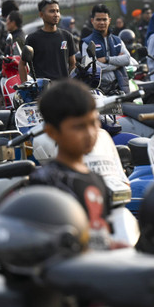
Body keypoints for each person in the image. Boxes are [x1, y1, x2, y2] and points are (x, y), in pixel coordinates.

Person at [28, 79, 111, 248]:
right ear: (51, 132)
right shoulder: (45, 182)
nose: (90, 133)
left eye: (93, 122)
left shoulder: (97, 179)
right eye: (78, 127)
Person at [21, 0, 76, 83]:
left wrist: (70, 83)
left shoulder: (67, 36)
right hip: (41, 91)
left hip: (63, 89)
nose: (56, 14)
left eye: (57, 11)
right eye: (52, 11)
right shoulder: (33, 39)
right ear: (41, 14)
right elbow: (22, 64)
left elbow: (73, 64)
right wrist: (25, 87)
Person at [81, 4, 131, 94]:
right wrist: (118, 64)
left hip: (120, 86)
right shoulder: (87, 42)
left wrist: (107, 59)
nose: (102, 22)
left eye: (104, 19)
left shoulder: (117, 40)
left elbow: (127, 59)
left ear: (109, 20)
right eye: (98, 19)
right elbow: (92, 68)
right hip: (99, 90)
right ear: (92, 21)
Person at [0, 0, 19, 73]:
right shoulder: (0, 23)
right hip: (0, 64)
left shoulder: (11, 24)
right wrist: (3, 57)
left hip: (11, 62)